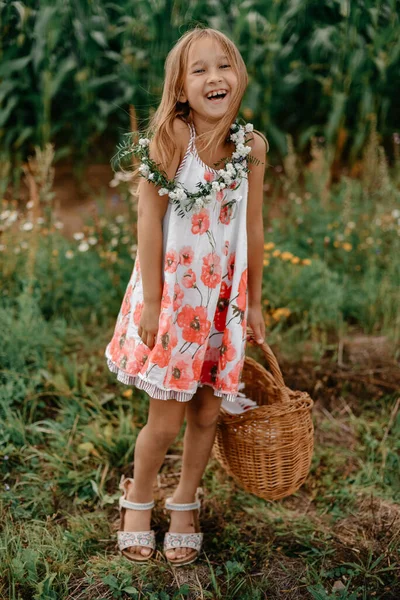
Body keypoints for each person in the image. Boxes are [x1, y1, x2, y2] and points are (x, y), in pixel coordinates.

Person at [105, 26, 268, 567]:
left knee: (206, 414)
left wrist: (257, 303)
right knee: (167, 418)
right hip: (176, 301)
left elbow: (254, 229)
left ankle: (184, 502)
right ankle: (138, 497)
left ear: (238, 75)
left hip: (224, 300)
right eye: (199, 70)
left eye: (223, 66)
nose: (214, 77)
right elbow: (149, 221)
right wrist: (153, 303)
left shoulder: (251, 148)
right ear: (180, 88)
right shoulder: (172, 141)